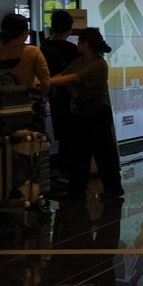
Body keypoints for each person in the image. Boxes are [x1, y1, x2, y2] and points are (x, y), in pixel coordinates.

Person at [48, 28, 122, 199]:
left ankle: (112, 189)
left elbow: (74, 78)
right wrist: (47, 80)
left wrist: (47, 81)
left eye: (79, 41)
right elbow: (63, 75)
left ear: (85, 43)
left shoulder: (98, 64)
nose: (77, 45)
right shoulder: (80, 61)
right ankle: (77, 190)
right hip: (82, 111)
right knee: (80, 152)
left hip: (98, 113)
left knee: (103, 153)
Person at [0, 13, 50, 97]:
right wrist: (41, 97)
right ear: (24, 33)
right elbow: (45, 81)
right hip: (23, 100)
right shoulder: (33, 52)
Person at [43, 10, 80, 170]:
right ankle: (69, 168)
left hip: (52, 94)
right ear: (69, 29)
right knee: (72, 133)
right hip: (70, 95)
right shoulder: (71, 49)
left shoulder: (44, 45)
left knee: (62, 132)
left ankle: (62, 167)